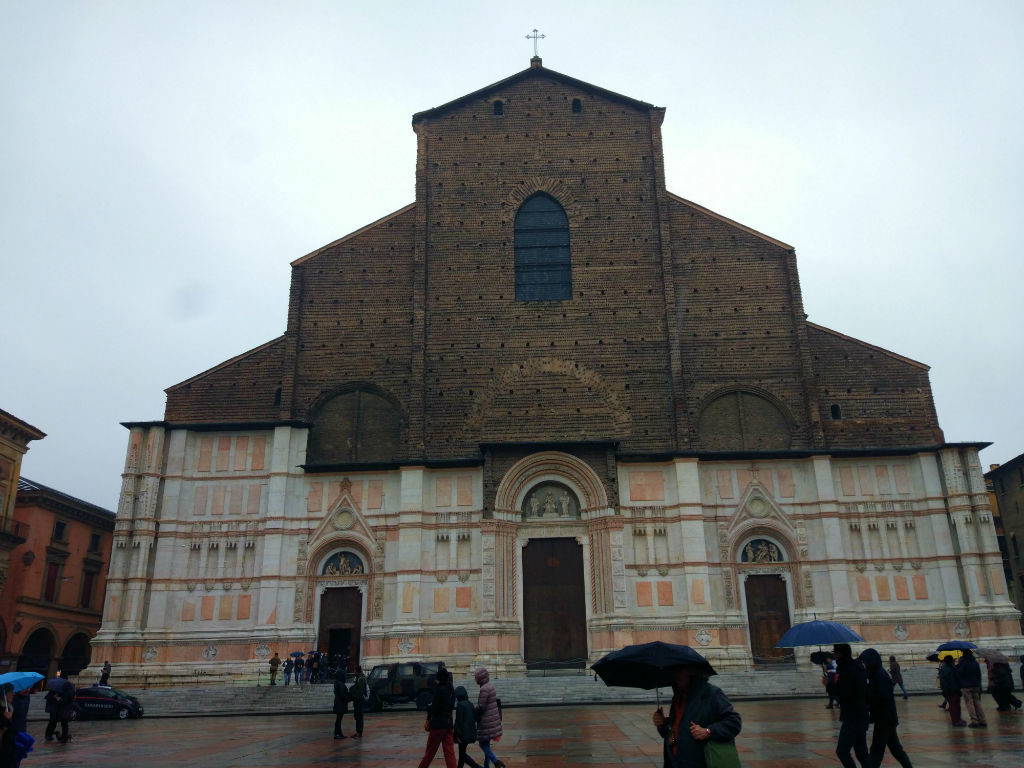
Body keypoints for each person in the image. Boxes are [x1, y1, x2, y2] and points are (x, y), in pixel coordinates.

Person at [652, 662, 741, 768]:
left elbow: (734, 722)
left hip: (699, 761)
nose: (675, 675)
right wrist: (663, 724)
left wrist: (708, 731)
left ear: (691, 671)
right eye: (674, 672)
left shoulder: (711, 693)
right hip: (675, 761)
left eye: (679, 671)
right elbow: (675, 730)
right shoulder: (678, 696)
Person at [860, 649, 912, 768]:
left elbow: (882, 697)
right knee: (896, 750)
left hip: (884, 719)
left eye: (865, 661)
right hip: (886, 718)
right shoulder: (876, 674)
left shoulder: (880, 676)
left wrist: (869, 702)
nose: (864, 664)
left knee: (876, 750)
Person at [832, 643, 870, 768]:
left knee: (842, 751)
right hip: (861, 714)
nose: (834, 655)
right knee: (861, 753)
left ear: (840, 654)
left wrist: (829, 685)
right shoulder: (857, 666)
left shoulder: (846, 669)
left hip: (852, 716)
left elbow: (845, 693)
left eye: (835, 652)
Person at [417, 667, 457, 768]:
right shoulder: (452, 690)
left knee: (430, 752)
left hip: (438, 725)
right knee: (449, 752)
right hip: (448, 724)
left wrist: (428, 708)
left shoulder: (439, 690)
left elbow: (435, 708)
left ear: (439, 678)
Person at [474, 667, 506, 768]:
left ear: (480, 677)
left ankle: (496, 761)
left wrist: (472, 710)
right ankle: (486, 765)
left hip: (486, 721)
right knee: (486, 744)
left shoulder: (484, 689)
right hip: (491, 719)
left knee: (482, 744)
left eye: (476, 677)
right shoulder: (490, 686)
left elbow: (481, 706)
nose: (475, 679)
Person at [454, 685, 483, 768]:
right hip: (470, 732)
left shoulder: (460, 705)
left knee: (462, 755)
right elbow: (475, 718)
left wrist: (457, 735)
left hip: (463, 734)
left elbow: (458, 721)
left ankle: (477, 767)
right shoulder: (470, 704)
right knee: (462, 754)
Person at [955, 649, 987, 727]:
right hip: (976, 685)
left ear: (963, 654)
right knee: (977, 703)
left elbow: (959, 673)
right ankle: (982, 720)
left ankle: (974, 720)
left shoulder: (963, 662)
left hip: (966, 686)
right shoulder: (975, 662)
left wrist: (957, 667)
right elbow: (979, 675)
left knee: (969, 703)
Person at [43, 679, 75, 744]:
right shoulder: (56, 691)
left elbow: (65, 701)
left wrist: (59, 699)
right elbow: (47, 697)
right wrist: (54, 697)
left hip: (62, 710)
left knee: (62, 723)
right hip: (54, 709)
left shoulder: (66, 692)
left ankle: (64, 737)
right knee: (53, 722)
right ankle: (49, 735)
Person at [938, 655, 965, 726]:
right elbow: (949, 681)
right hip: (952, 690)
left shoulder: (949, 668)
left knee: (956, 706)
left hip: (953, 690)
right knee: (954, 706)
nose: (954, 661)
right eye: (953, 660)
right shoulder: (947, 669)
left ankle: (958, 719)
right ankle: (956, 721)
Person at [350, 665, 367, 738]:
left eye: (354, 670)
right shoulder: (358, 678)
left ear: (356, 671)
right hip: (357, 700)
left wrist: (355, 696)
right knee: (357, 716)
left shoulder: (361, 679)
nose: (353, 671)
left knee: (359, 717)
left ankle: (359, 732)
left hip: (359, 700)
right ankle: (357, 732)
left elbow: (360, 691)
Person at [332, 670, 350, 739]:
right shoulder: (340, 684)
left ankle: (339, 733)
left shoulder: (337, 683)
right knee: (339, 720)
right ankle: (337, 734)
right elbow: (342, 695)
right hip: (340, 704)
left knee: (338, 719)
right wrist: (347, 699)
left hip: (338, 703)